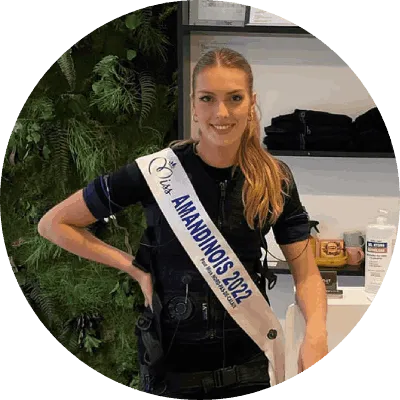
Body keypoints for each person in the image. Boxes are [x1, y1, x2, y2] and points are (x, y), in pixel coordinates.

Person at [37, 47, 328, 399]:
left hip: (249, 369)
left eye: (234, 98)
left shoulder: (274, 179)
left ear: (251, 103)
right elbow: (55, 224)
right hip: (171, 373)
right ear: (193, 105)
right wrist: (133, 268)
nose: (221, 112)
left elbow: (307, 274)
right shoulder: (156, 172)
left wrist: (316, 333)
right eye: (208, 98)